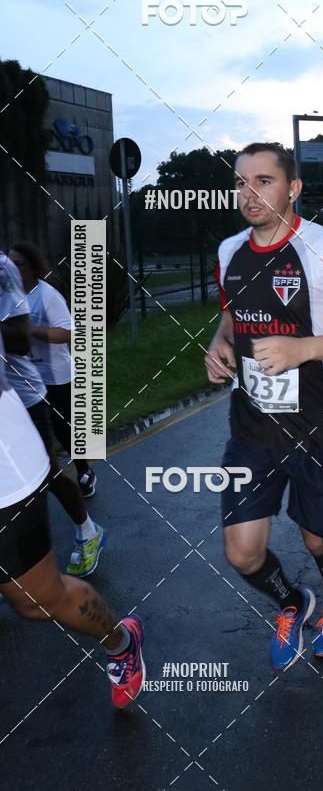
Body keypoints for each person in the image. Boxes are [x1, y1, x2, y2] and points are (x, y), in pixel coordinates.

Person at [205, 142, 323, 671]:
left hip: (318, 425)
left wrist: (303, 349)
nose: (249, 192)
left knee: (320, 536)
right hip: (251, 427)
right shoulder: (229, 252)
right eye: (241, 182)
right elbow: (231, 315)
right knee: (241, 553)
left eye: (263, 180)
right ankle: (292, 601)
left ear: (292, 189)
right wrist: (219, 344)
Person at [0, 266, 145, 708]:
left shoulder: (5, 273)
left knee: (37, 600)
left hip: (7, 462)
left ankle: (120, 640)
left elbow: (24, 337)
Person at [0, 252, 105, 577]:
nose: (17, 266)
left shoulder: (36, 290)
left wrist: (36, 330)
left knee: (46, 471)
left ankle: (87, 530)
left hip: (31, 391)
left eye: (22, 263)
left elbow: (22, 339)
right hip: (25, 387)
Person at [8, 243, 97, 498]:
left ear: (33, 267)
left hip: (55, 376)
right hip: (24, 377)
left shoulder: (46, 295)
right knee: (30, 430)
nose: (14, 269)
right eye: (10, 264)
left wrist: (29, 329)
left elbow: (67, 332)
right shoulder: (9, 294)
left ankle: (84, 472)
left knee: (64, 429)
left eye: (20, 264)